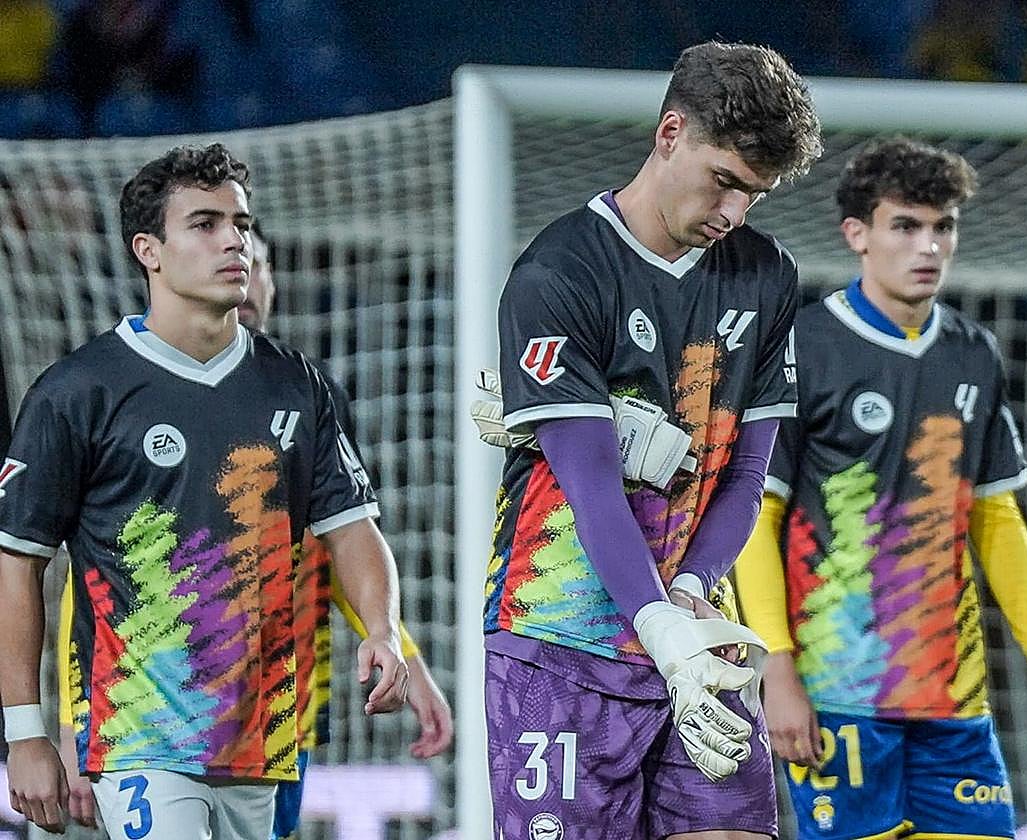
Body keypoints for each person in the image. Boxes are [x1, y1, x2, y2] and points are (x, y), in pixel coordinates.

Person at [0, 143, 408, 838]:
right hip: (139, 733)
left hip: (261, 737)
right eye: (206, 224)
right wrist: (25, 731)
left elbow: (351, 528)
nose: (233, 242)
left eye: (241, 225)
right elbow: (18, 563)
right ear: (148, 251)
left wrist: (384, 633)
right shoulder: (78, 392)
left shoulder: (296, 383)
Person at [480, 41, 821, 839]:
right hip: (558, 642)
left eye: (755, 195)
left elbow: (747, 472)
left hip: (699, 644)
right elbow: (589, 484)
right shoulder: (559, 273)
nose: (734, 213)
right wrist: (659, 626)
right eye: (725, 182)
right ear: (670, 134)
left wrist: (694, 593)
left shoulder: (765, 275)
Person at [734, 137, 1027, 840]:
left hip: (952, 695)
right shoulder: (803, 347)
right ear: (856, 234)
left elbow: (994, 515)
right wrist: (775, 669)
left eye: (942, 226)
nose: (928, 246)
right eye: (905, 225)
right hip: (836, 692)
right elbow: (754, 518)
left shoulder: (971, 352)